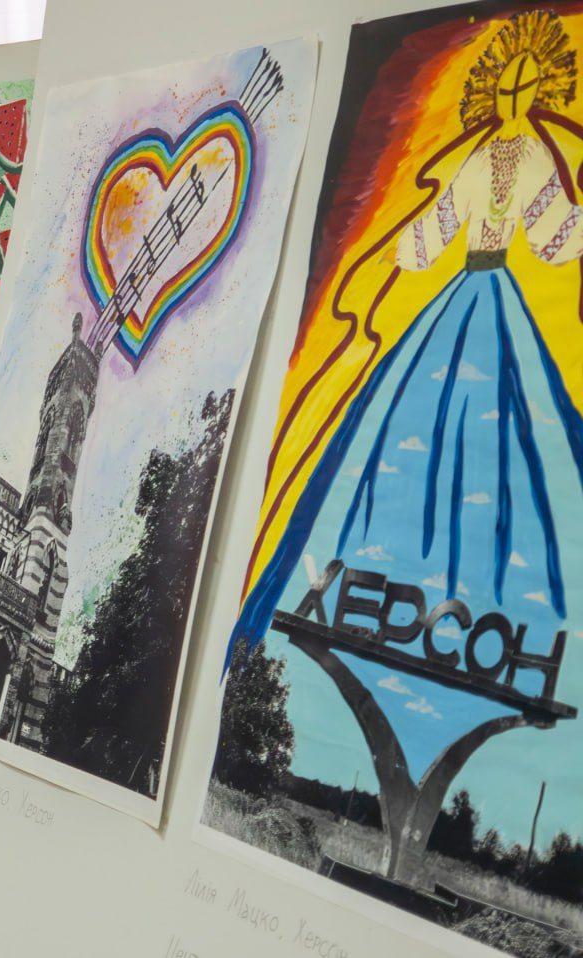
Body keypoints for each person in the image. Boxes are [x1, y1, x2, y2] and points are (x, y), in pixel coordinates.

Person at [235, 11, 583, 667]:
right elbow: (441, 224)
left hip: (498, 298)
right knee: (398, 427)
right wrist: (408, 245)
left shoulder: (539, 157)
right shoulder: (479, 158)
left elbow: (552, 235)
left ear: (539, 92)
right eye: (507, 88)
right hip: (462, 295)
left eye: (524, 88)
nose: (514, 98)